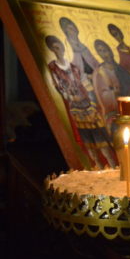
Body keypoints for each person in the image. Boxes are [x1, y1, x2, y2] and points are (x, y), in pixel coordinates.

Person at [45, 35, 116, 168]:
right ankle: (96, 168)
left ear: (63, 46)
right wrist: (72, 98)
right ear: (51, 50)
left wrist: (92, 103)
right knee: (88, 143)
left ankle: (112, 167)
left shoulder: (74, 67)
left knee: (102, 141)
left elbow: (86, 85)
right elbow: (60, 88)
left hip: (89, 107)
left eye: (59, 46)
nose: (57, 50)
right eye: (54, 48)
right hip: (76, 110)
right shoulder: (53, 68)